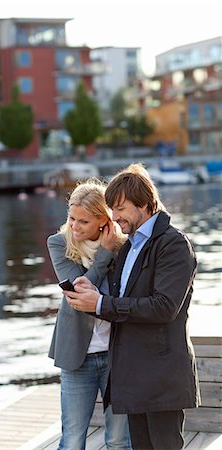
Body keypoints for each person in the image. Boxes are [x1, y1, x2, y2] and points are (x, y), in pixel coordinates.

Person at [64, 163, 200, 450]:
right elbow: (122, 296)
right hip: (133, 377)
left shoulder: (174, 245)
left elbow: (163, 307)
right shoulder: (128, 246)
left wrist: (101, 303)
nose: (115, 217)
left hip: (161, 378)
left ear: (145, 205)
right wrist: (95, 292)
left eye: (121, 209)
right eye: (112, 209)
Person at [47, 178, 132, 450]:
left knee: (119, 441)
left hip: (117, 354)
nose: (74, 226)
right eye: (72, 218)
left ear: (103, 220)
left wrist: (110, 249)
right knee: (72, 441)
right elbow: (79, 291)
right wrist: (104, 254)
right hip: (77, 357)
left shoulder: (124, 247)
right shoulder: (59, 244)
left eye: (83, 221)